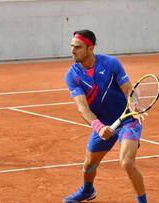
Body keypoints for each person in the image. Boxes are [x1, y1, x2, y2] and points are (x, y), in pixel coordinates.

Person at [63, 30, 147, 203]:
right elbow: (82, 107)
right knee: (89, 165)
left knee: (126, 163)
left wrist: (135, 104)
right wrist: (99, 127)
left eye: (78, 47)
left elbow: (129, 91)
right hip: (103, 124)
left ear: (90, 47)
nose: (72, 51)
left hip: (128, 120)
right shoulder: (72, 76)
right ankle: (87, 191)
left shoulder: (110, 64)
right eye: (72, 46)